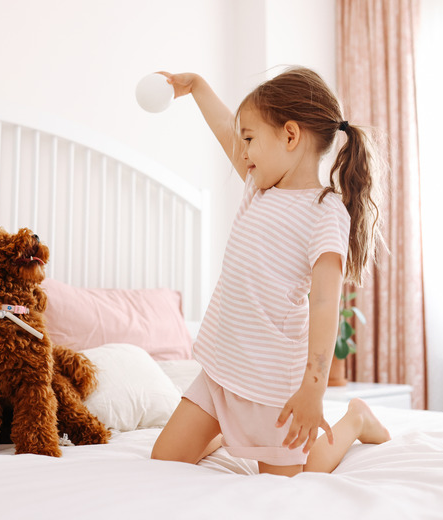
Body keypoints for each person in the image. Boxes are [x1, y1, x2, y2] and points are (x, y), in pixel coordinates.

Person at [150, 67, 391, 477]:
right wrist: (197, 88)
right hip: (222, 369)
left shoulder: (324, 211)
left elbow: (325, 305)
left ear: (290, 136)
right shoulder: (258, 189)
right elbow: (227, 132)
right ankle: (228, 431)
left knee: (295, 479)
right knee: (164, 460)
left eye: (249, 140)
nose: (242, 151)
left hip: (271, 382)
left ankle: (355, 420)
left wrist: (313, 389)